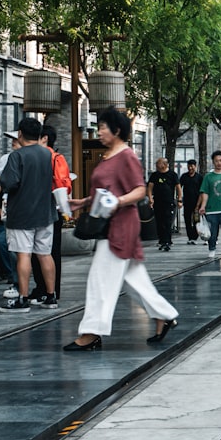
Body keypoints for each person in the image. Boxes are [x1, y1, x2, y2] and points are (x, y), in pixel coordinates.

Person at [63, 107, 179, 351]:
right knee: (133, 280)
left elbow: (138, 190)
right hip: (110, 224)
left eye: (103, 127)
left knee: (100, 280)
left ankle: (91, 332)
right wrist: (83, 201)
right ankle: (164, 315)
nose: (99, 131)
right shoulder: (109, 156)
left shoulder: (126, 156)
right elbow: (105, 191)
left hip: (120, 226)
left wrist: (117, 202)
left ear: (116, 130)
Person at [0, 117, 57, 313]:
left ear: (20, 134)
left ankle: (22, 298)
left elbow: (10, 183)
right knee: (44, 254)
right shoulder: (47, 154)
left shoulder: (17, 156)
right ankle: (50, 296)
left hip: (22, 212)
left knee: (23, 254)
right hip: (45, 211)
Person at [29, 124, 72, 302]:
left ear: (44, 138)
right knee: (35, 252)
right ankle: (42, 287)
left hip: (50, 209)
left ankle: (51, 289)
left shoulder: (55, 158)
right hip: (37, 208)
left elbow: (63, 185)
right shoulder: (36, 156)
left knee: (50, 252)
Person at [148, 157, 178, 251]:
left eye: (158, 164)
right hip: (157, 202)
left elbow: (178, 187)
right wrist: (150, 199)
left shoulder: (172, 175)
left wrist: (180, 199)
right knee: (159, 222)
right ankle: (161, 240)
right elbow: (149, 188)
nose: (156, 166)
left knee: (167, 222)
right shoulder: (154, 175)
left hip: (168, 202)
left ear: (164, 164)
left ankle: (167, 241)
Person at [178, 160, 203, 244]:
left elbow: (202, 191)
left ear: (195, 167)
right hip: (187, 202)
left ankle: (195, 237)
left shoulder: (199, 177)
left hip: (197, 203)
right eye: (189, 166)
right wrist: (180, 199)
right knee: (187, 220)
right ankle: (190, 237)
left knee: (196, 220)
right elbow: (179, 188)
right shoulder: (184, 176)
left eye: (192, 166)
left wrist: (200, 204)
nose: (190, 168)